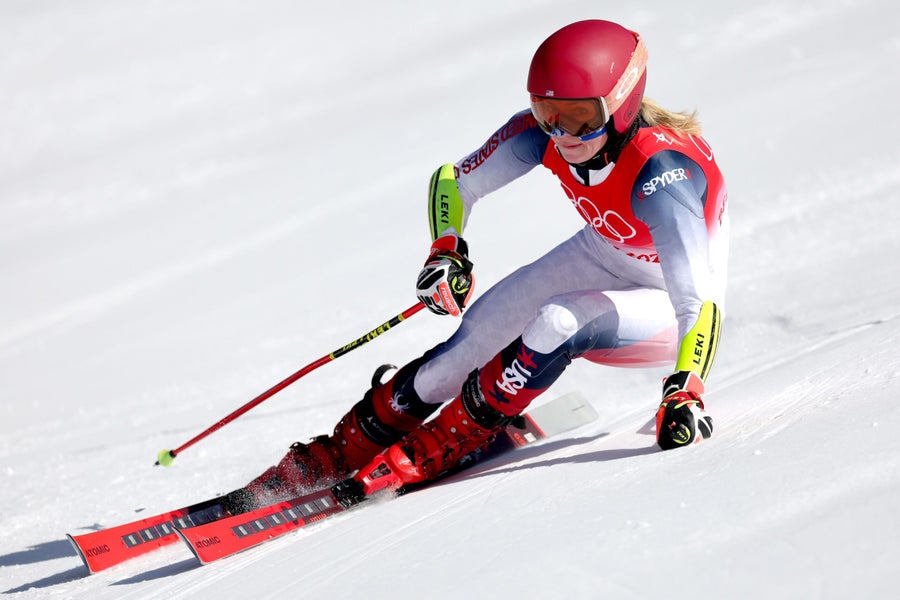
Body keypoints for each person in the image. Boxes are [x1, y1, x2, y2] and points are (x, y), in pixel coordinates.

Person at [229, 19, 728, 510]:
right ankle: (345, 449)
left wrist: (686, 389)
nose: (562, 134)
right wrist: (446, 248)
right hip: (603, 253)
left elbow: (697, 303)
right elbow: (455, 181)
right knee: (465, 349)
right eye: (547, 111)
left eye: (580, 117)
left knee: (559, 320)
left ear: (620, 107)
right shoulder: (542, 135)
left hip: (668, 307)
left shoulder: (661, 175)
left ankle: (455, 436)